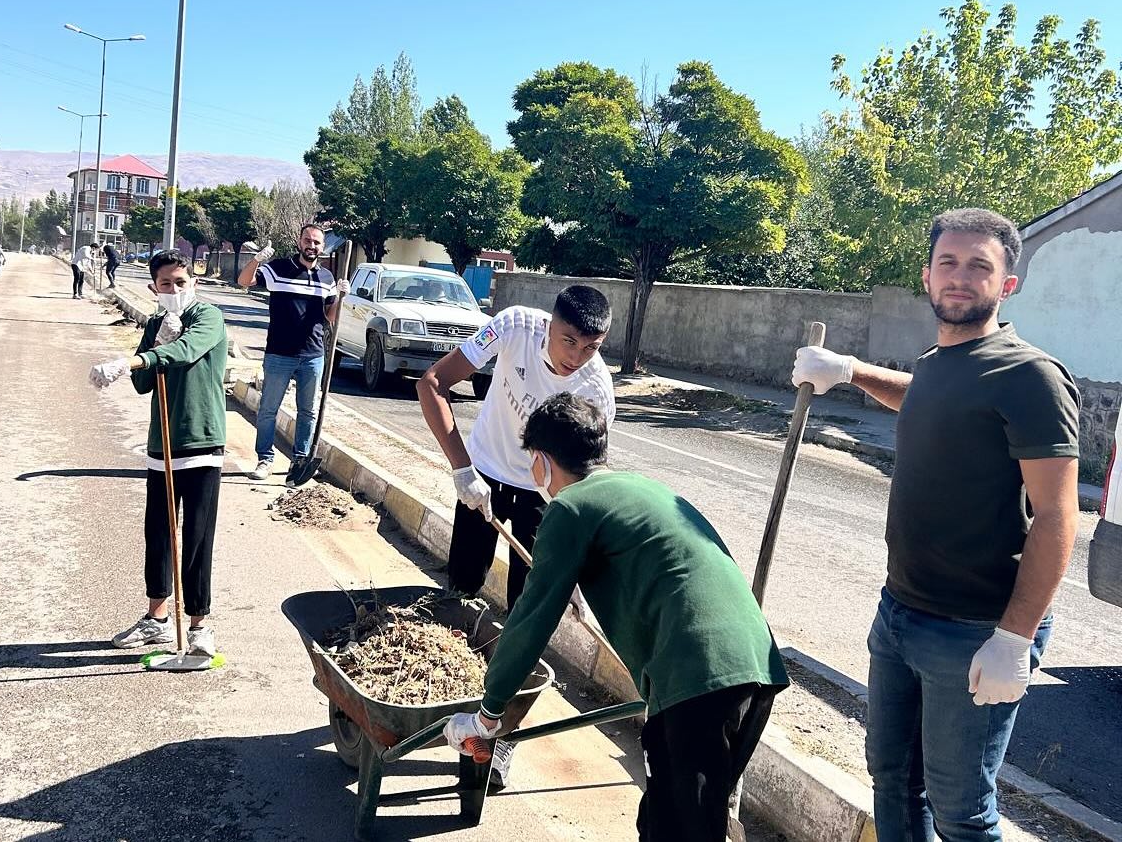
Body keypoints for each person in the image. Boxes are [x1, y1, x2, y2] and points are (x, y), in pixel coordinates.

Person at [791, 208, 1080, 842]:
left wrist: (1014, 638)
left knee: (962, 813)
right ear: (926, 276)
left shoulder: (1030, 376)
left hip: (975, 629)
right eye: (947, 263)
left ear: (1007, 284)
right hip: (900, 612)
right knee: (893, 783)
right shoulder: (939, 360)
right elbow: (926, 395)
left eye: (979, 266)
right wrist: (850, 370)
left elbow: (1059, 517)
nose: (959, 277)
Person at [443, 393, 789, 837]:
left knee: (680, 829)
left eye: (532, 460)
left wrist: (488, 714)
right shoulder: (642, 488)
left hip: (695, 674)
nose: (532, 472)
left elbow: (530, 620)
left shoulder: (570, 506)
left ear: (543, 460)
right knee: (675, 818)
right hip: (754, 663)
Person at [418, 285, 616, 612]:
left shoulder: (596, 392)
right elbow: (432, 383)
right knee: (461, 586)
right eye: (569, 341)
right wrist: (463, 469)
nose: (576, 358)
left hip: (541, 492)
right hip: (483, 472)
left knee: (526, 606)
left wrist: (575, 565)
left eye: (590, 348)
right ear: (549, 325)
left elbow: (587, 480)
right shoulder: (515, 326)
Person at [88, 249, 229, 658]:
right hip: (162, 443)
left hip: (202, 439)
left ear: (193, 282)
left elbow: (187, 351)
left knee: (197, 538)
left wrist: (139, 358)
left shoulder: (208, 317)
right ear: (154, 288)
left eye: (181, 282)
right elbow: (143, 384)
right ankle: (157, 619)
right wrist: (150, 347)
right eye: (166, 283)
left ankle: (199, 625)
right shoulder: (155, 323)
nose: (174, 289)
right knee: (159, 534)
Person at [237, 225, 349, 486]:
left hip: (313, 355)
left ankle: (299, 461)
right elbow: (244, 281)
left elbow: (330, 318)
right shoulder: (278, 269)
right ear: (299, 242)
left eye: (317, 242)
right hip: (279, 353)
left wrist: (341, 297)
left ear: (323, 247)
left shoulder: (327, 278)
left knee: (308, 412)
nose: (312, 245)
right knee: (268, 409)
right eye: (307, 240)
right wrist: (257, 260)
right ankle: (265, 459)